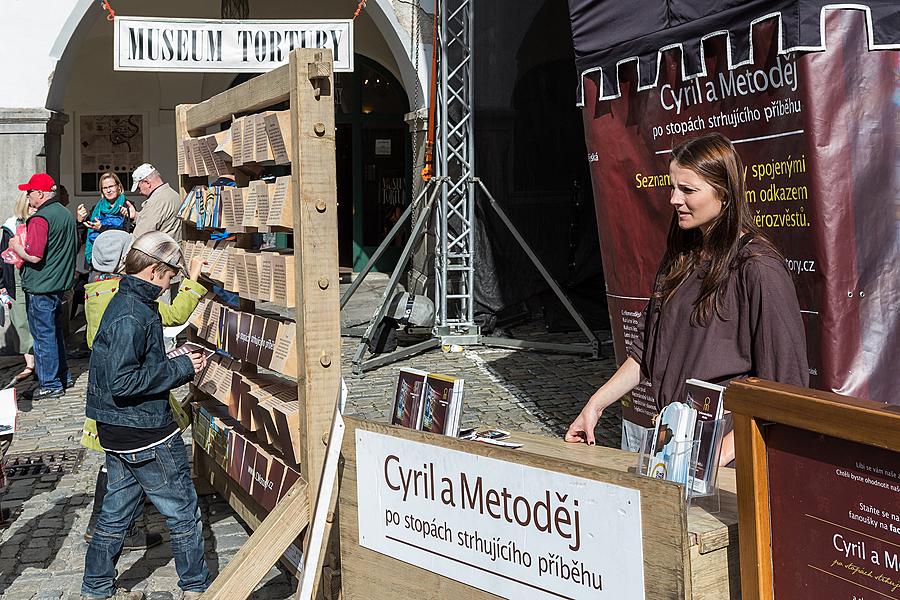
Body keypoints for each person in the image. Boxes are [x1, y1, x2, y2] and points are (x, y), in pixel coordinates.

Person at [565, 133, 808, 465]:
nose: (674, 200)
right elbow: (646, 352)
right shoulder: (681, 256)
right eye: (673, 187)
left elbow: (784, 389)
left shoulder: (758, 267)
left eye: (688, 190)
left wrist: (711, 460)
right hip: (674, 449)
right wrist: (595, 406)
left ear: (723, 193)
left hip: (729, 463)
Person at [81, 231, 210, 600]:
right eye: (170, 277)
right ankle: (196, 589)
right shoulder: (132, 314)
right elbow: (123, 381)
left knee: (115, 516)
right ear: (154, 271)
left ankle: (96, 589)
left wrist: (165, 361)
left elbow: (128, 366)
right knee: (183, 514)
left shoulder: (126, 302)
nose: (170, 283)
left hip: (121, 432)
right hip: (145, 433)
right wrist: (181, 367)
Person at [8, 173, 77, 400]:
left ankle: (49, 384)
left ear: (40, 193)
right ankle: (62, 377)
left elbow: (35, 256)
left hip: (41, 285)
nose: (27, 196)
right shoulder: (65, 214)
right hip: (58, 283)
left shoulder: (40, 218)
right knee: (55, 333)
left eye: (30, 192)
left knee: (43, 336)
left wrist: (16, 247)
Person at [130, 164, 183, 304]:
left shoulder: (156, 201)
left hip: (157, 272)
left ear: (147, 182)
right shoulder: (173, 195)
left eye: (139, 187)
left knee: (158, 315)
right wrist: (137, 216)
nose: (139, 192)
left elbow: (140, 238)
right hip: (172, 267)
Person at [1, 191, 35, 382]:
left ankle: (39, 362)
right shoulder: (11, 226)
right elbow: (2, 256)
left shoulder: (39, 222)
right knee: (21, 320)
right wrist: (1, 284)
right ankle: (30, 364)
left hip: (35, 274)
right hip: (15, 276)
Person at [76, 172, 136, 266]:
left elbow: (128, 233)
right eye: (105, 188)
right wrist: (80, 221)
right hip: (99, 259)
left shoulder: (128, 207)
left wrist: (102, 228)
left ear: (118, 187)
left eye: (111, 186)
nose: (108, 190)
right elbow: (83, 236)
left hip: (121, 261)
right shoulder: (97, 209)